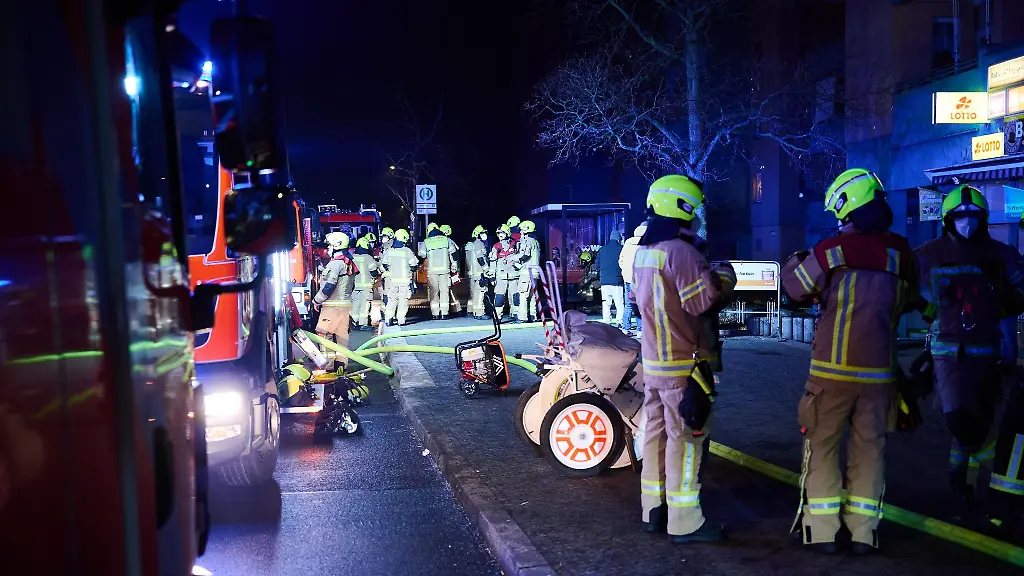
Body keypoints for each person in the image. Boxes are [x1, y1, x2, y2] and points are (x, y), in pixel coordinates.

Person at [782, 168, 918, 555]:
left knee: (822, 448)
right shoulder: (902, 254)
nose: (838, 221)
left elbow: (794, 288)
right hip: (880, 378)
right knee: (870, 452)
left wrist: (796, 261)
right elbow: (910, 300)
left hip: (830, 376)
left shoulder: (830, 251)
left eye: (840, 213)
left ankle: (823, 533)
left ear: (850, 207)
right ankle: (863, 534)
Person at [633, 174, 736, 544]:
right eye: (694, 209)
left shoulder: (644, 252)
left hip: (655, 363)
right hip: (685, 367)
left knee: (655, 437)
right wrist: (724, 277)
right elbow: (701, 302)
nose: (697, 217)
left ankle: (653, 509)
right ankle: (685, 520)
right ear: (683, 208)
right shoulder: (682, 252)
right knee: (687, 441)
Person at [915, 184, 1024, 527]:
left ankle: (962, 483)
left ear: (983, 218)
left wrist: (1003, 301)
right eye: (959, 217)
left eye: (973, 216)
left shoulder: (1000, 254)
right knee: (959, 419)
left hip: (988, 352)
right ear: (948, 219)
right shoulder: (928, 253)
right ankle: (993, 476)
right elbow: (910, 290)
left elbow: (1020, 291)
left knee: (977, 417)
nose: (966, 223)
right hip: (949, 352)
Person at [312, 231, 359, 368]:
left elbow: (329, 286)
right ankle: (341, 366)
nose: (328, 249)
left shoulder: (336, 264)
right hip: (344, 307)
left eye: (330, 246)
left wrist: (316, 301)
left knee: (324, 335)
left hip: (332, 307)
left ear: (336, 245)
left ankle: (329, 367)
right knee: (341, 338)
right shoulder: (348, 262)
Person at [382, 229, 418, 326]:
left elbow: (384, 264)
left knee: (391, 300)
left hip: (392, 281)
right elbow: (414, 266)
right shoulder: (407, 251)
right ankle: (401, 320)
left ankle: (388, 319)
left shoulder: (389, 251)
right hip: (405, 282)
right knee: (403, 301)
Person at [420, 222, 454, 320]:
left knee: (434, 292)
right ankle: (444, 313)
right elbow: (453, 253)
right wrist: (454, 265)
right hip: (445, 271)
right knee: (444, 292)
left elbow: (421, 254)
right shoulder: (446, 240)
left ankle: (435, 314)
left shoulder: (427, 242)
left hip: (432, 272)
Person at [619, 223, 647, 335]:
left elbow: (621, 260)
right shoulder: (647, 243)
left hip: (628, 278)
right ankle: (640, 330)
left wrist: (626, 271)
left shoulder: (628, 243)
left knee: (629, 304)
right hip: (641, 278)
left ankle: (626, 328)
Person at [597, 230, 625, 327]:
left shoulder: (602, 249)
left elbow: (597, 265)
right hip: (617, 281)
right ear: (619, 239)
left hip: (604, 282)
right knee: (619, 303)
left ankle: (607, 322)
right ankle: (620, 322)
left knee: (606, 303)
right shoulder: (621, 249)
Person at [489, 224, 518, 320]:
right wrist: (492, 277)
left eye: (502, 232)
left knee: (515, 296)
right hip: (501, 277)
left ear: (507, 233)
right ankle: (497, 316)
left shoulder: (515, 244)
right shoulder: (496, 247)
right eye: (499, 233)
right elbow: (492, 263)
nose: (500, 235)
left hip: (514, 276)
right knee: (499, 297)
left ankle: (516, 314)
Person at [350, 236, 379, 331]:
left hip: (354, 286)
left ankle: (354, 322)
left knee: (355, 304)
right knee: (365, 305)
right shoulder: (368, 258)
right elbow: (374, 272)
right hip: (366, 286)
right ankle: (363, 324)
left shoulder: (352, 257)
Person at [515, 219, 541, 323]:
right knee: (532, 296)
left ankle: (522, 318)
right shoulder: (536, 241)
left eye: (521, 229)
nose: (520, 232)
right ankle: (532, 316)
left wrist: (515, 259)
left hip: (526, 272)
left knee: (523, 294)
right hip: (534, 273)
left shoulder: (528, 241)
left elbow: (525, 254)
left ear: (526, 229)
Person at [465, 225, 489, 319]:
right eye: (482, 233)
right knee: (480, 293)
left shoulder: (469, 244)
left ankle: (471, 311)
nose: (485, 235)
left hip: (472, 273)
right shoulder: (479, 243)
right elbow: (480, 258)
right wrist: (487, 270)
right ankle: (479, 313)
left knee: (473, 293)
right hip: (480, 273)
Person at [440, 224, 463, 316]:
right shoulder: (452, 241)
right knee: (450, 290)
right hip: (452, 269)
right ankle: (454, 308)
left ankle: (457, 309)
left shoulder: (447, 241)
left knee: (450, 290)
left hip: (450, 270)